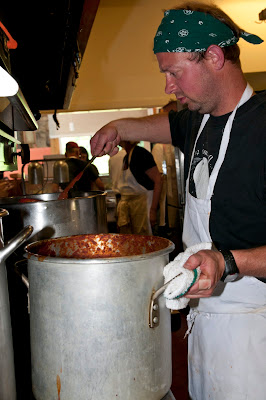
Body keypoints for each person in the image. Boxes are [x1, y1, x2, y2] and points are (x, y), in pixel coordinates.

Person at [90, 2, 266, 399]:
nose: (168, 86)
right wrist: (117, 126)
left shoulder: (261, 129)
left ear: (214, 57)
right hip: (203, 321)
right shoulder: (197, 119)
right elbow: (164, 125)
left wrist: (229, 261)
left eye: (174, 72)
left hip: (255, 328)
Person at [112, 140, 162, 235]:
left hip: (144, 206)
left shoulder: (140, 154)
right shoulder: (126, 157)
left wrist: (153, 210)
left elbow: (158, 181)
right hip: (130, 206)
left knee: (145, 241)